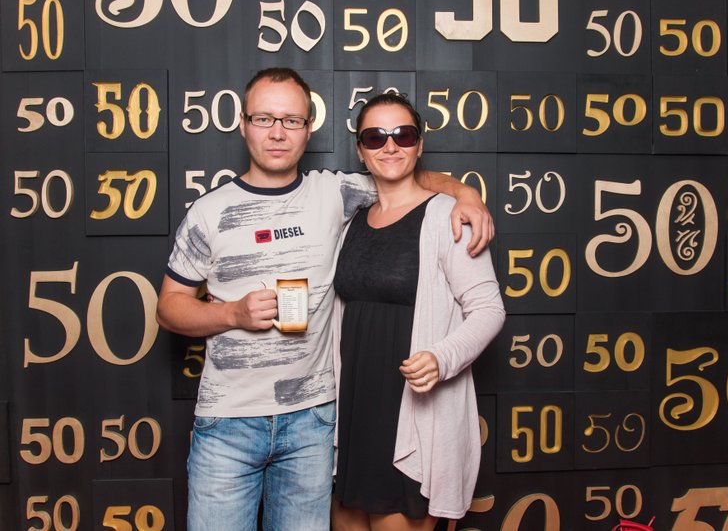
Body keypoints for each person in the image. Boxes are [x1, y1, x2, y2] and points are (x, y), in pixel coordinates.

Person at [156, 68, 493, 531]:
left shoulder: (336, 192)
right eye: (264, 118)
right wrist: (231, 313)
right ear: (243, 124)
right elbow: (168, 307)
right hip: (229, 422)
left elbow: (402, 176)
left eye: (291, 120)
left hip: (313, 422)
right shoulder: (208, 212)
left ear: (308, 127)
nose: (278, 132)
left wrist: (465, 192)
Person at [331, 93, 505, 531]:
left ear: (420, 144)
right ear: (360, 150)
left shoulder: (448, 217)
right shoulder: (350, 220)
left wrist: (442, 358)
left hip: (410, 414)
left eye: (403, 135)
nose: (390, 146)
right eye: (375, 137)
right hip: (352, 413)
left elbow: (488, 309)